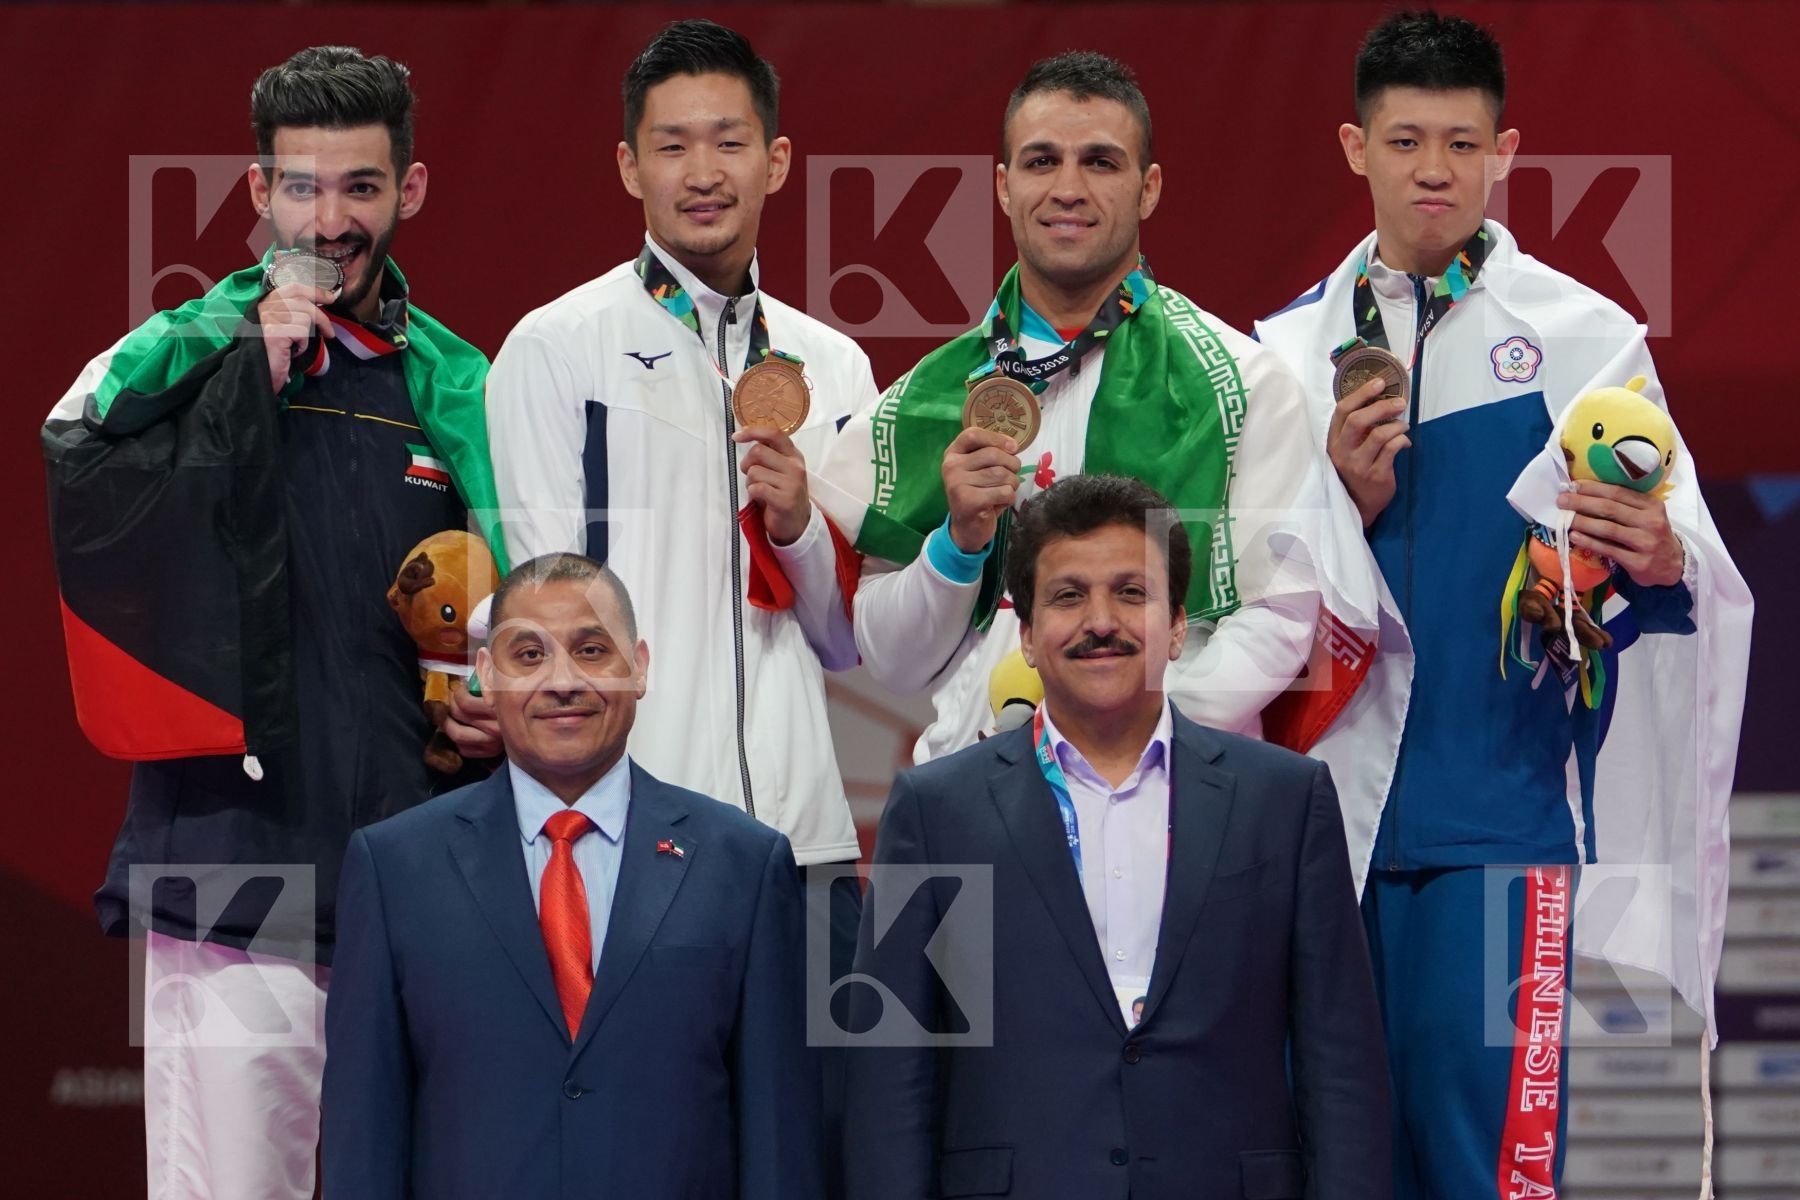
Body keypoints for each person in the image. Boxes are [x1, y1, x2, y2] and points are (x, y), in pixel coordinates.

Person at [1254, 12, 1752, 1198]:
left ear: (1506, 151)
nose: (1435, 169)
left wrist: (1655, 555)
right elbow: (1242, 597)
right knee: (1327, 1171)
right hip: (1321, 839)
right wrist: (1338, 496)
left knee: (1492, 1176)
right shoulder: (1281, 354)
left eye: (1462, 144)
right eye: (1407, 140)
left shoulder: (1586, 342)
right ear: (1352, 148)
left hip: (1499, 837)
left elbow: (1682, 566)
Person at [40, 46, 503, 1198]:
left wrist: (497, 690)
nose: (332, 219)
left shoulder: (457, 381)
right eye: (302, 187)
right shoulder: (178, 352)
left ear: (412, 190)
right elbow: (77, 451)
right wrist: (242, 361)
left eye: (360, 187)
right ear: (258, 194)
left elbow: (525, 581)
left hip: (411, 869)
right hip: (231, 865)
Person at [842, 475, 1390, 1200]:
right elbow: (887, 1074)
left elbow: (1341, 1061)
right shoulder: (935, 805)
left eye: (1132, 593)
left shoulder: (1284, 800)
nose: (1101, 620)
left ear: (1177, 627)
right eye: (1069, 596)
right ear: (1029, 638)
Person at [816, 51, 1346, 766]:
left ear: (1148, 187)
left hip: (1171, 792)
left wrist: (1117, 731)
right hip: (976, 791)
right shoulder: (924, 399)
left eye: (1100, 162)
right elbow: (890, 659)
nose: (1068, 188)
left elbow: (1282, 617)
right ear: (1003, 188)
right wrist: (959, 543)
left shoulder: (1242, 385)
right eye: (1041, 162)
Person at [322, 554, 820, 1199]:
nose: (563, 681)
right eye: (528, 655)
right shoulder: (393, 867)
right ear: (486, 676)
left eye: (591, 650)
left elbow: (779, 1134)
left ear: (638, 667)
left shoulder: (745, 864)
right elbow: (364, 1136)